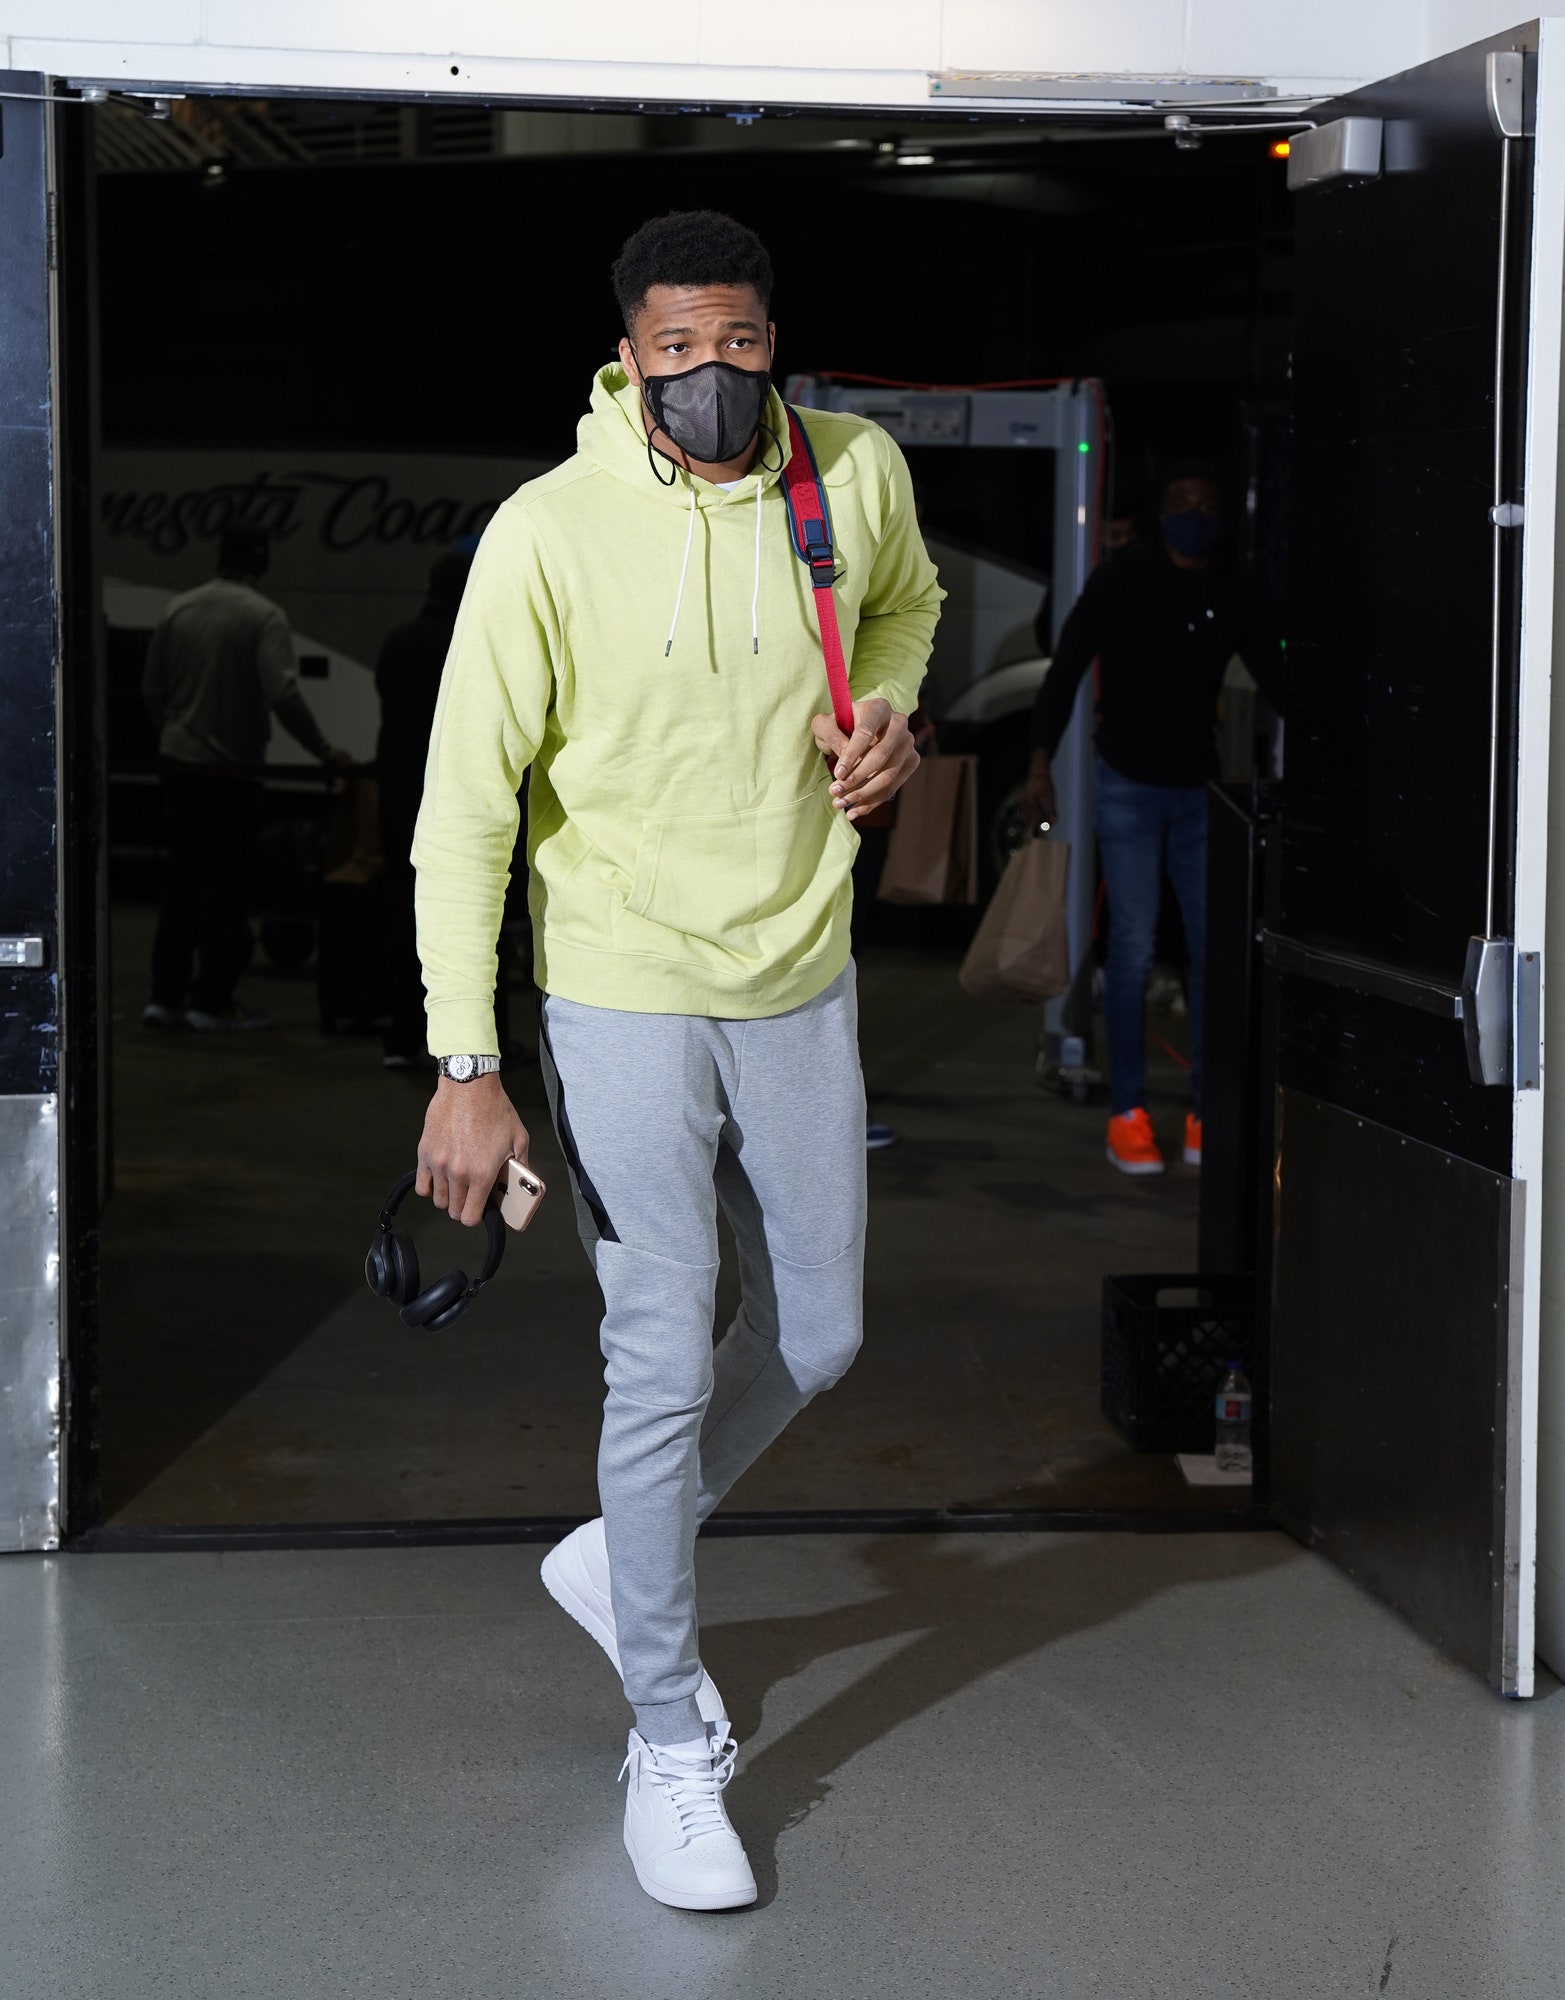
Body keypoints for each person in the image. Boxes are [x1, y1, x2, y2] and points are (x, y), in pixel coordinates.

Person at [408, 210, 941, 1909]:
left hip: (798, 969)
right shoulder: (548, 533)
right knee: (664, 1348)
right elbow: (463, 815)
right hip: (620, 978)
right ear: (628, 353)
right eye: (673, 350)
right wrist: (465, 1061)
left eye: (735, 344)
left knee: (825, 1333)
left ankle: (617, 1554)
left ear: (774, 336)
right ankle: (667, 1736)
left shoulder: (851, 480)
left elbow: (910, 612)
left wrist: (891, 714)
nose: (707, 377)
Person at [1021, 469, 1283, 1174]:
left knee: (1210, 951)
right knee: (1133, 951)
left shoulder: (1229, 591)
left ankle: (1207, 1110)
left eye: (1205, 506)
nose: (1193, 516)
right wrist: (1039, 765)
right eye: (1180, 505)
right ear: (1161, 514)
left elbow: (1277, 678)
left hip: (1198, 792)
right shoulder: (1123, 582)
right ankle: (1128, 1112)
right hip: (1129, 786)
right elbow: (1065, 670)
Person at [141, 523, 347, 1032]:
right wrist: (322, 750)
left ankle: (163, 997)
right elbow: (282, 694)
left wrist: (172, 737)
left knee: (181, 882)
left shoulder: (178, 608)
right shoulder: (263, 616)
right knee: (227, 886)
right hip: (233, 772)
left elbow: (152, 688)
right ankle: (210, 1000)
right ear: (262, 564)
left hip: (177, 767)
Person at [374, 549, 474, 1069]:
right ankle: (458, 1049)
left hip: (396, 797)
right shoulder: (463, 645)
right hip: (450, 803)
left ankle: (399, 1035)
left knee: (400, 914)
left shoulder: (398, 641)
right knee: (469, 921)